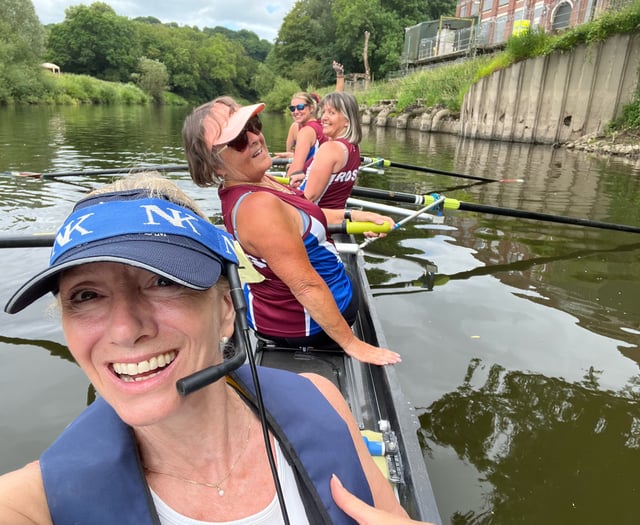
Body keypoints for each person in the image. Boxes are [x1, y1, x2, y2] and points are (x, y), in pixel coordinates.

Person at [0, 173, 411, 524]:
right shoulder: (30, 505)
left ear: (227, 306)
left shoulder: (322, 398)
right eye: (87, 296)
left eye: (163, 282)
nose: (125, 330)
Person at [182, 96, 401, 366]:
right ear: (214, 165)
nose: (254, 138)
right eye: (238, 139)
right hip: (305, 326)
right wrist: (353, 344)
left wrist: (357, 214)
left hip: (278, 311)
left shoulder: (259, 179)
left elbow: (301, 216)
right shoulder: (258, 207)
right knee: (350, 284)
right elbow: (306, 285)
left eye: (253, 125)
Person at [290, 91, 362, 209]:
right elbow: (333, 182)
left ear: (347, 121)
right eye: (324, 112)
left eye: (331, 113)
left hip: (317, 219)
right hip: (337, 215)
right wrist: (306, 178)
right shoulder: (354, 147)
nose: (324, 118)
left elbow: (308, 197)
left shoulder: (329, 149)